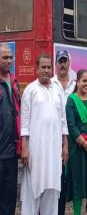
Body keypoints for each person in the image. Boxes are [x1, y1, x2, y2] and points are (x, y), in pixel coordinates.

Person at [20, 53, 68, 215]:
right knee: (32, 189)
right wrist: (25, 147)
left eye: (48, 67)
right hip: (35, 151)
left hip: (54, 151)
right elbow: (24, 122)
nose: (46, 70)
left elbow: (63, 120)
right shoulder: (30, 90)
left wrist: (65, 145)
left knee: (52, 190)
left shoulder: (58, 90)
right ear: (37, 68)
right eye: (43, 67)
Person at [66, 69, 87, 215]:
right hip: (77, 150)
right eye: (83, 81)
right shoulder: (71, 100)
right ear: (77, 82)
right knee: (78, 188)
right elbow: (71, 126)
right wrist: (84, 144)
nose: (86, 84)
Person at [52, 50, 76, 215]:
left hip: (74, 140)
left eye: (64, 61)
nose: (62, 64)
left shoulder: (75, 85)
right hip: (55, 139)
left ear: (69, 63)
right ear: (56, 64)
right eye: (59, 61)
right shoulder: (50, 84)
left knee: (69, 181)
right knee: (56, 179)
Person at [0, 44, 20, 215]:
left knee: (10, 197)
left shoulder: (14, 83)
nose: (9, 61)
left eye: (10, 57)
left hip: (12, 153)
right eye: (5, 57)